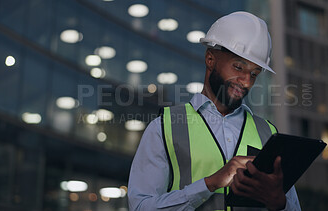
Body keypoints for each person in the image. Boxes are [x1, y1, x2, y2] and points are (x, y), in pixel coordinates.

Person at [128, 11, 301, 211]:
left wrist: (279, 204)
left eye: (254, 74)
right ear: (210, 59)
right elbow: (141, 207)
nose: (246, 81)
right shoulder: (164, 127)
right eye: (238, 67)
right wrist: (210, 184)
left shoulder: (269, 134)